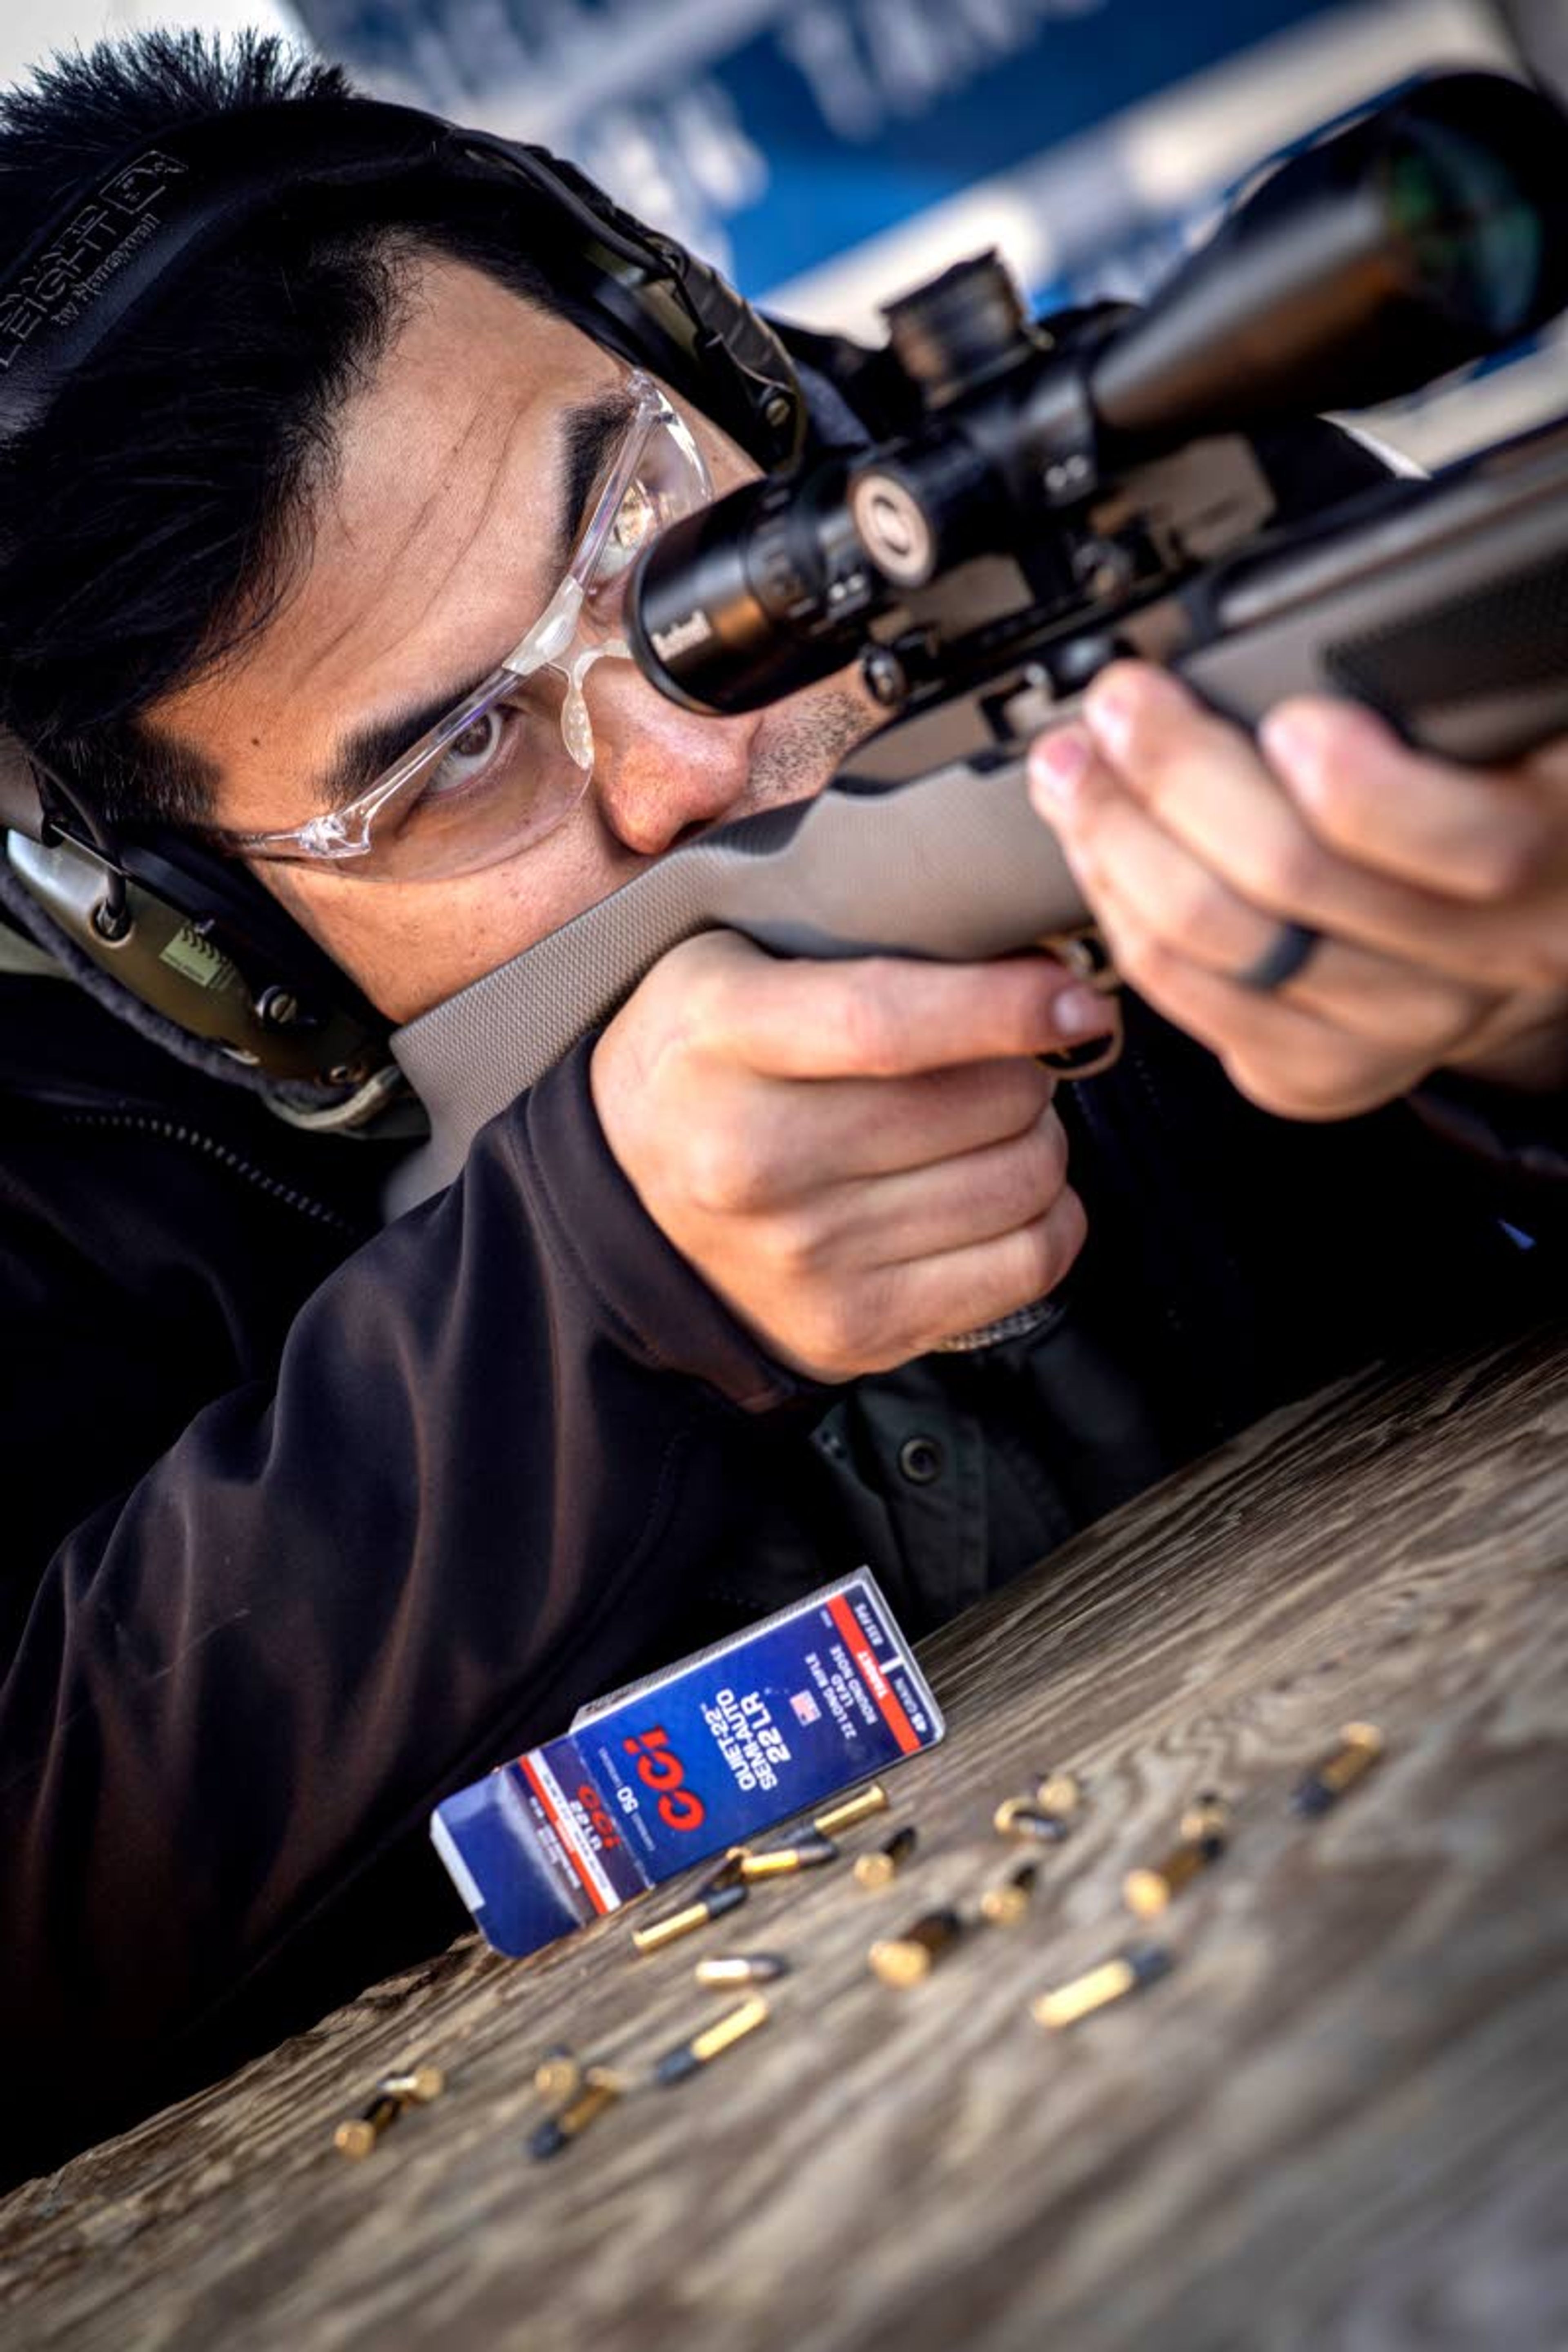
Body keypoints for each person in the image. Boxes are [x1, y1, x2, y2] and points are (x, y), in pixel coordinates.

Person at [0, 32, 1562, 2188]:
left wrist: (1530, 1028)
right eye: (455, 761)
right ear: (210, 953)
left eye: (641, 526)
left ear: (699, 347)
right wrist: (580, 1289)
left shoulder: (1123, 538)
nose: (682, 746)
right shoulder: (64, 1194)